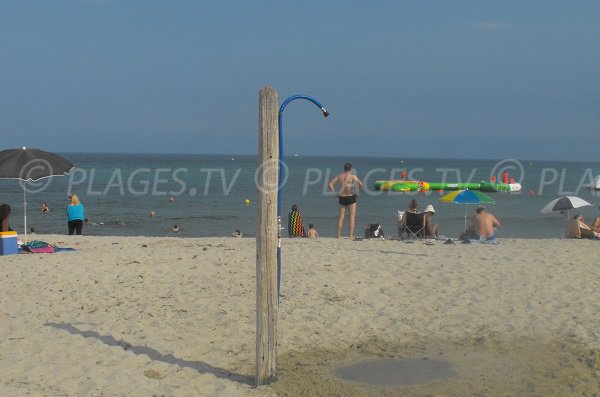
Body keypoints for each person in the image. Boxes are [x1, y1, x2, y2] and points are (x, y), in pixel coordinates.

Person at [328, 162, 364, 239]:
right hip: (350, 197)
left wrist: (335, 192)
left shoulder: (339, 176)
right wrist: (359, 191)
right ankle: (350, 236)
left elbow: (330, 184)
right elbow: (361, 184)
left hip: (342, 197)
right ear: (350, 168)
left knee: (341, 217)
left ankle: (338, 236)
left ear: (344, 168)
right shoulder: (352, 176)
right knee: (351, 217)